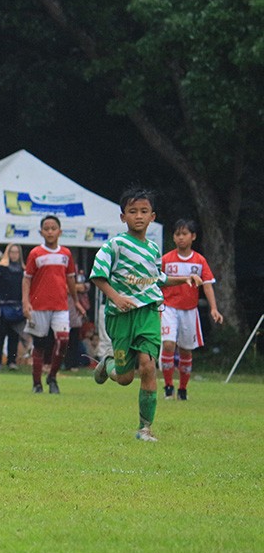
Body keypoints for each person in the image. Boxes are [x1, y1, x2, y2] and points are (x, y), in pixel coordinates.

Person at [90, 187, 202, 442]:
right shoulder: (115, 245)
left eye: (143, 211)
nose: (138, 216)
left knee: (149, 366)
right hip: (120, 316)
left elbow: (157, 279)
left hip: (149, 312)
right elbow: (97, 275)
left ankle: (144, 429)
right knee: (126, 378)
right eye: (132, 211)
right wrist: (117, 298)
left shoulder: (153, 249)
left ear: (153, 216)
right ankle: (108, 365)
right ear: (123, 217)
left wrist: (185, 278)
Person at [160, 218, 223, 401]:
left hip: (189, 310)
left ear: (193, 236)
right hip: (169, 308)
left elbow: (208, 285)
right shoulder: (166, 259)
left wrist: (214, 308)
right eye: (177, 234)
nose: (180, 238)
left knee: (186, 350)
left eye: (184, 234)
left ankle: (183, 389)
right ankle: (168, 386)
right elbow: (159, 282)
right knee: (169, 344)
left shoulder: (199, 260)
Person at [22, 216, 85, 395]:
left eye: (53, 228)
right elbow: (26, 280)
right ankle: (37, 383)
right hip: (39, 306)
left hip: (61, 306)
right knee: (40, 344)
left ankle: (52, 376)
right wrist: (25, 302)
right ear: (41, 232)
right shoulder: (35, 253)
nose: (50, 231)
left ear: (60, 231)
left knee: (63, 340)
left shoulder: (66, 254)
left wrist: (76, 301)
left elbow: (70, 279)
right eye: (46, 228)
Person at [0, 243, 25, 371]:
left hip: (17, 307)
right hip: (1, 307)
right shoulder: (0, 269)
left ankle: (12, 362)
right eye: (11, 252)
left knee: (14, 335)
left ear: (19, 255)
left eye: (16, 252)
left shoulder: (23, 271)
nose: (14, 255)